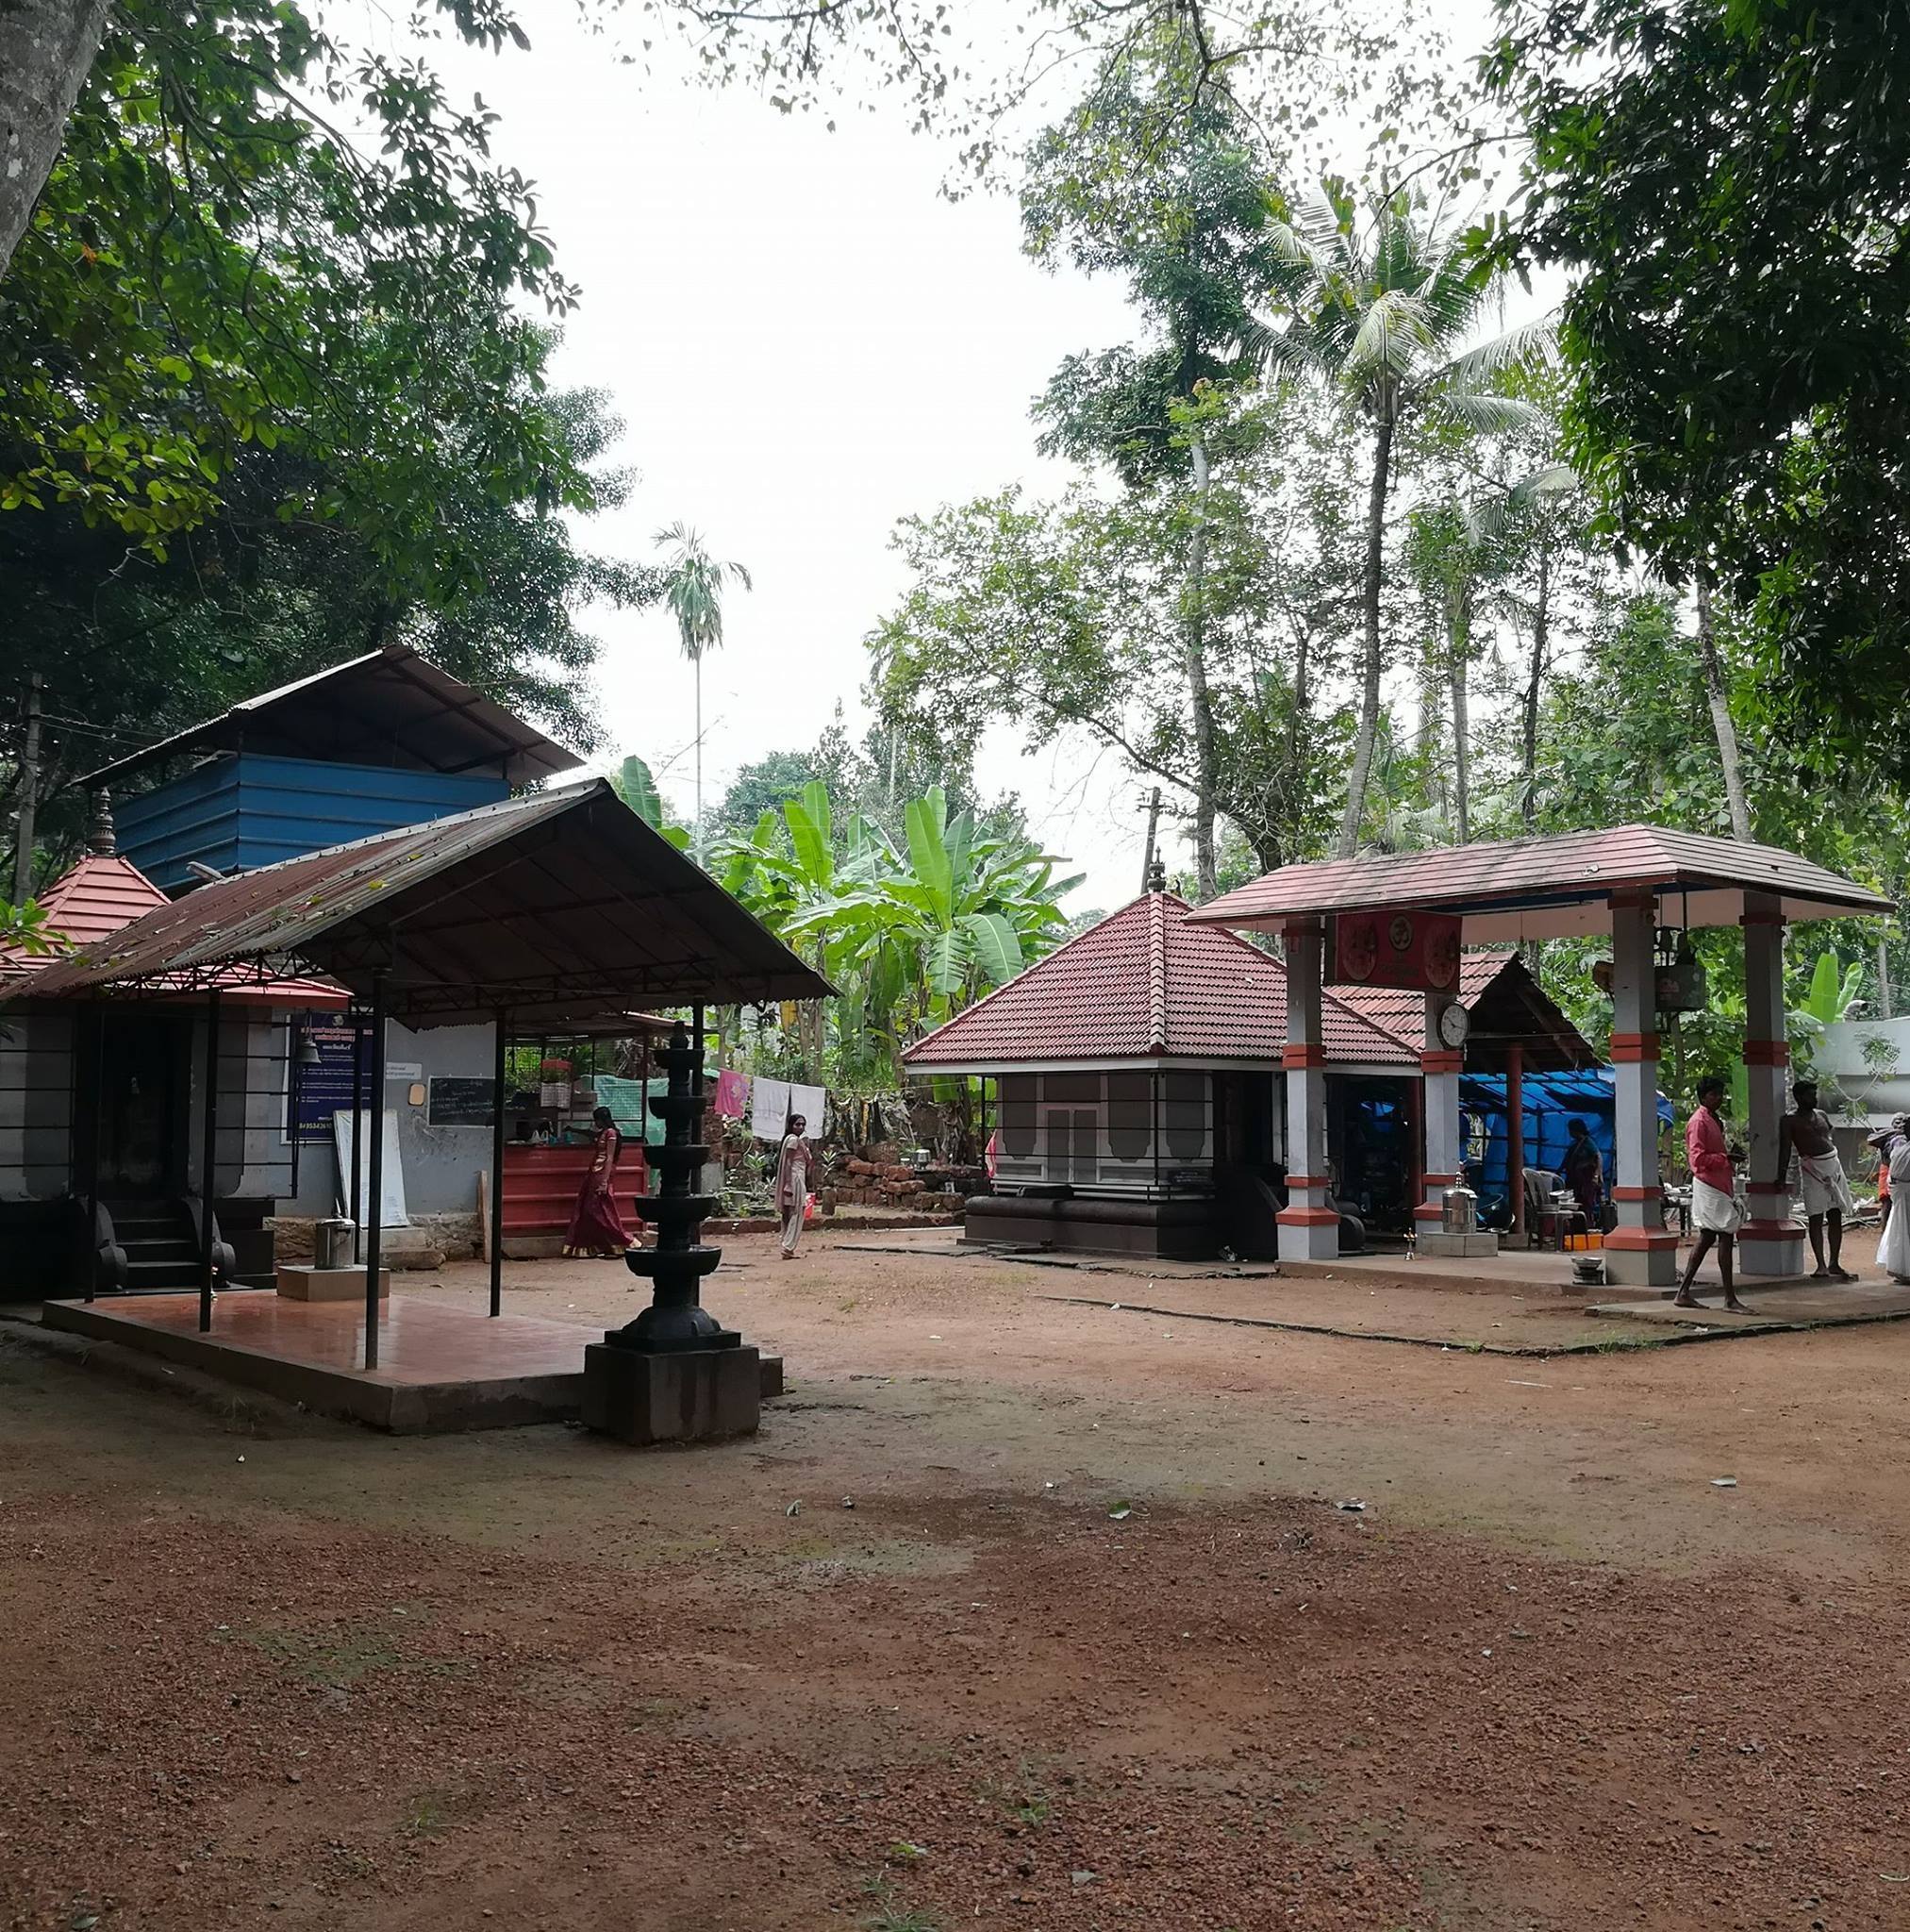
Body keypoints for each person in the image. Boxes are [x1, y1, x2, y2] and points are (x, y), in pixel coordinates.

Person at [1674, 1075, 1751, 1312]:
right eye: (1714, 1094)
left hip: (1719, 1185)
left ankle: (1684, 1292)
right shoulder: (1699, 1122)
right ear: (1703, 1096)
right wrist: (1725, 1158)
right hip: (1710, 1186)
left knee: (1707, 1238)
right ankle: (1729, 1299)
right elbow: (1697, 1160)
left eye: (1720, 1094)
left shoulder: (1714, 1120)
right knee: (1726, 1235)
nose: (1718, 1098)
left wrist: (1727, 1158)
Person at [1780, 1078, 1858, 1281]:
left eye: (1815, 1094)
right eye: (1809, 1095)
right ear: (1798, 1098)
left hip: (1833, 1165)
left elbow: (1828, 1135)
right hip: (1813, 1170)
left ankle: (1834, 1263)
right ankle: (1821, 1265)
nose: (1814, 1098)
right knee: (1816, 1215)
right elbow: (1785, 1149)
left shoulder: (1821, 1115)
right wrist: (1781, 1177)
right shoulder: (1790, 1120)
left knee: (1835, 1215)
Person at [563, 1107, 633, 1258]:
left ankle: (625, 1241)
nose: (596, 1123)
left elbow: (609, 1157)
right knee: (590, 1210)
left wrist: (605, 1181)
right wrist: (573, 1129)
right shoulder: (603, 1133)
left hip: (601, 1174)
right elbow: (591, 1135)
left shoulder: (611, 1134)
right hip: (595, 1173)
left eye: (597, 1120)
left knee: (599, 1210)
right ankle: (601, 1246)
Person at [1871, 1115, 1910, 1284]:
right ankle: (1902, 1269)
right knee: (1900, 1231)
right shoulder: (1897, 1142)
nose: (1903, 1127)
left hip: (1904, 1193)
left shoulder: (1902, 1146)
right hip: (1901, 1193)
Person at [775, 1111, 816, 1260]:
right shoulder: (793, 1140)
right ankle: (788, 1246)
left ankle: (787, 1245)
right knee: (797, 1211)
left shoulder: (796, 1140)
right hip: (795, 1178)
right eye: (797, 1124)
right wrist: (788, 1184)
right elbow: (788, 1163)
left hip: (797, 1177)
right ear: (791, 1125)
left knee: (791, 1212)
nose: (801, 1127)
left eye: (803, 1124)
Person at [1562, 1118, 1605, 1228]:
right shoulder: (1574, 1145)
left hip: (1586, 1181)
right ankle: (1577, 1229)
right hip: (1575, 1181)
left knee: (1586, 1205)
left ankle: (1587, 1228)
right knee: (1575, 1205)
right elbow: (1567, 1161)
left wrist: (1596, 1175)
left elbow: (1598, 1157)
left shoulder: (1588, 1142)